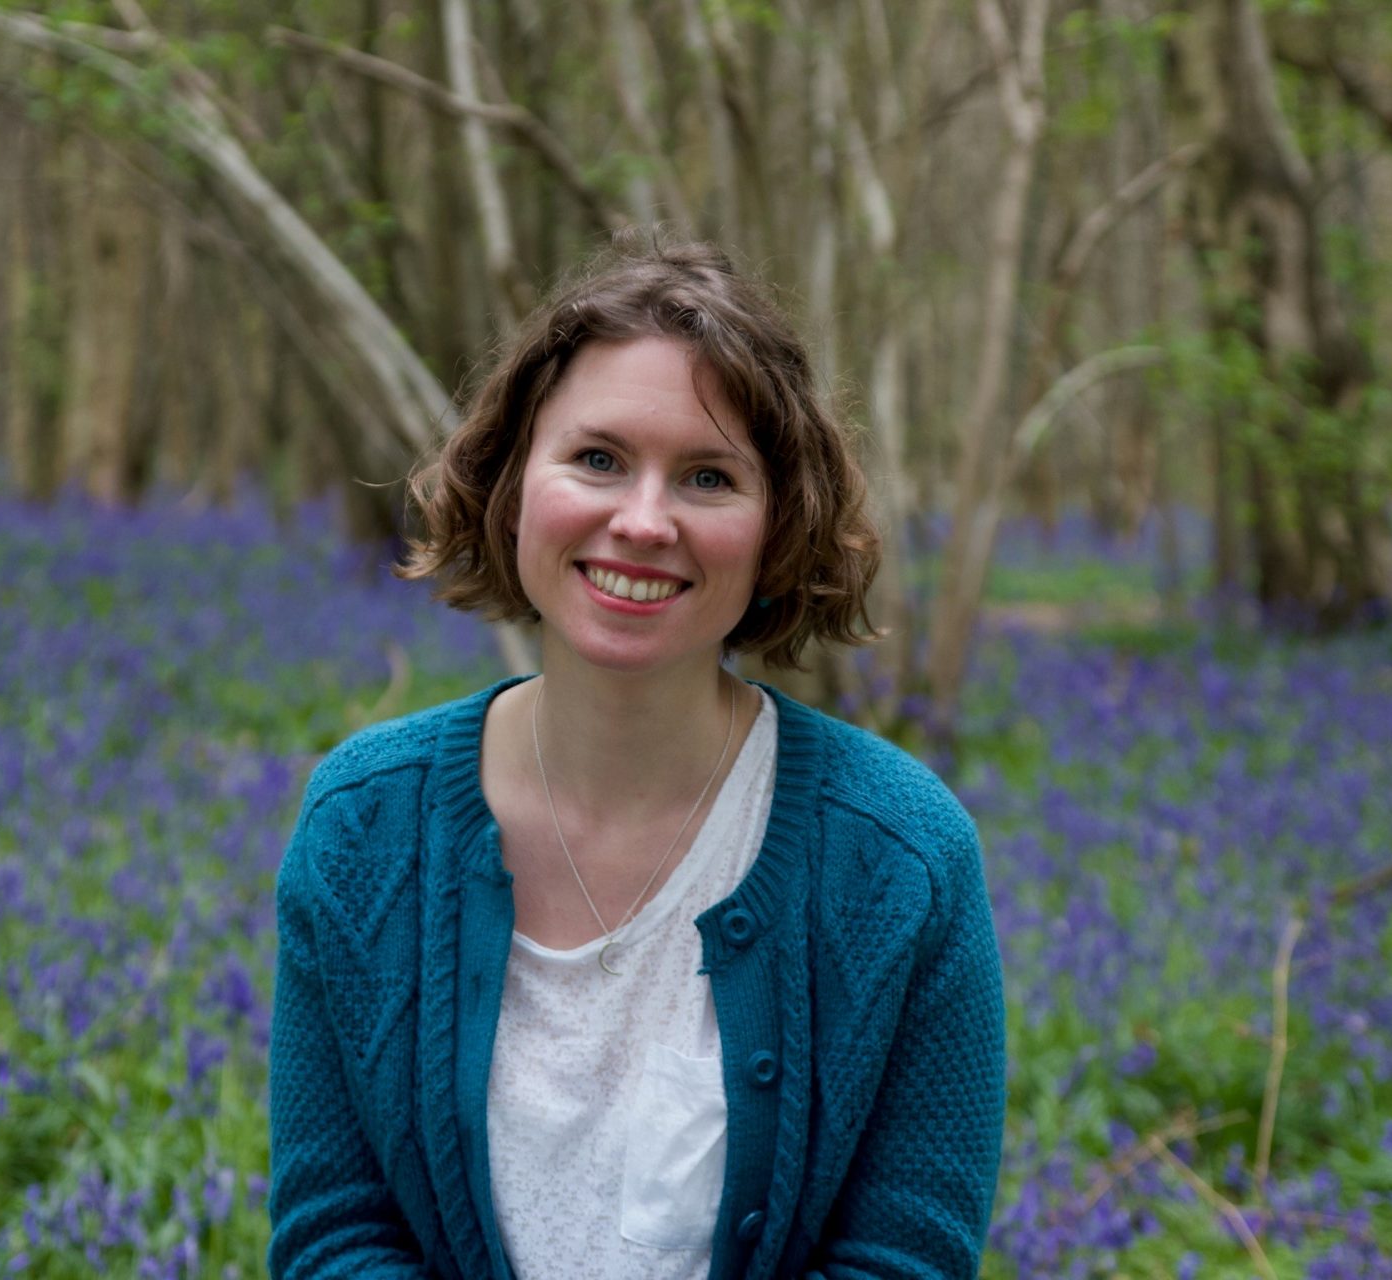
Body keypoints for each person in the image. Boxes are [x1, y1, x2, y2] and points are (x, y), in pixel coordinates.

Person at [267, 236, 1005, 1279]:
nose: (643, 521)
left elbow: (904, 1258)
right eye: (598, 458)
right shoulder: (362, 825)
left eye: (708, 476)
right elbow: (334, 1234)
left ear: (777, 525)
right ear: (516, 481)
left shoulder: (901, 858)